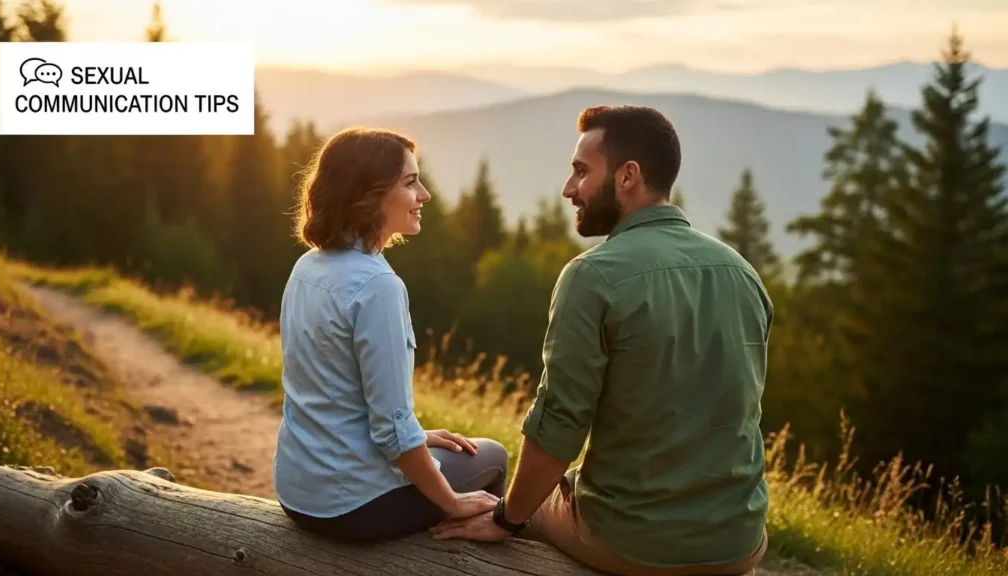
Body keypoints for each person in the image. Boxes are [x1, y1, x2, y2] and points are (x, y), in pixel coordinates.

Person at [431, 105, 772, 576]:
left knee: (506, 509)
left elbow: (558, 431)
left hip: (635, 541)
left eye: (580, 172)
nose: (569, 189)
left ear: (628, 175)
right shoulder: (742, 272)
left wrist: (507, 518)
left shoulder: (592, 276)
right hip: (740, 539)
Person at [273, 127, 509, 543]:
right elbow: (392, 435)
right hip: (352, 508)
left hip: (298, 493)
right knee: (491, 455)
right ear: (369, 194)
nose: (425, 194)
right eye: (410, 182)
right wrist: (453, 502)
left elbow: (335, 390)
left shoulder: (307, 266)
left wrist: (419, 436)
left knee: (452, 449)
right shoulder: (377, 287)